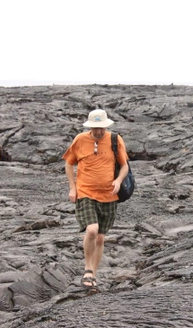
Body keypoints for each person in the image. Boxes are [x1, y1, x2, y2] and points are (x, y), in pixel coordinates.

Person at [62, 109, 129, 292]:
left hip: (109, 195)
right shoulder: (80, 140)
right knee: (92, 230)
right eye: (95, 128)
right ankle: (87, 269)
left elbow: (124, 166)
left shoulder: (115, 139)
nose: (99, 131)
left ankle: (93, 274)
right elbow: (69, 163)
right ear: (90, 126)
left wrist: (118, 180)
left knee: (100, 237)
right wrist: (72, 187)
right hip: (85, 192)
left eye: (101, 128)